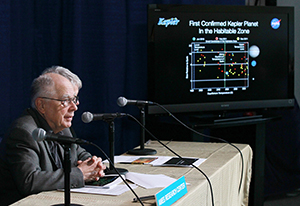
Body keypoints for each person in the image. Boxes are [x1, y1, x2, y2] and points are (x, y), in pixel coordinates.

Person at [0, 66, 106, 205]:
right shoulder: (24, 132)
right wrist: (80, 174)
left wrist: (94, 165)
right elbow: (30, 181)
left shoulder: (62, 127)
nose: (74, 107)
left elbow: (80, 155)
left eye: (74, 99)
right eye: (65, 100)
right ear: (41, 105)